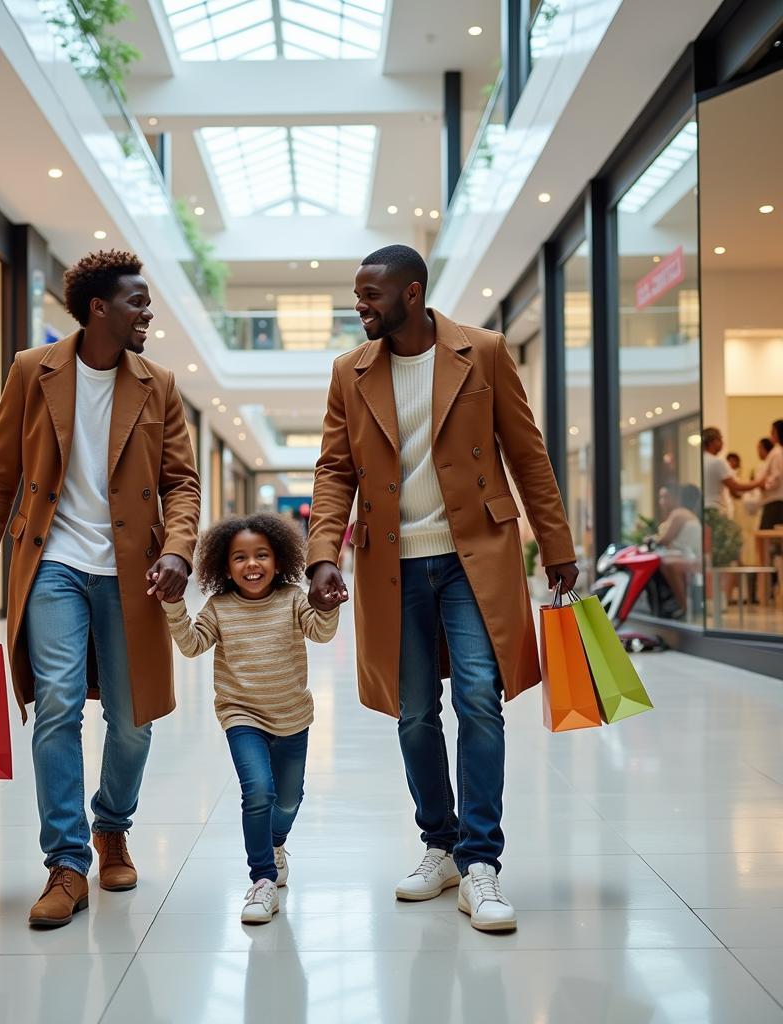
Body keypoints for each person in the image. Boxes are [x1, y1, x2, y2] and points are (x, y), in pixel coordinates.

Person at [305, 245, 577, 934]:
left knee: (480, 696)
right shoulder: (350, 371)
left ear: (412, 293)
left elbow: (528, 453)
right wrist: (321, 554)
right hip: (392, 563)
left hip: (474, 553)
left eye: (371, 294)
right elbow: (335, 470)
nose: (359, 305)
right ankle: (441, 844)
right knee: (415, 713)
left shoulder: (480, 351)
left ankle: (482, 860)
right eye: (358, 293)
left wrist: (558, 547)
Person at [0, 249, 200, 929]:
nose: (147, 313)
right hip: (53, 560)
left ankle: (111, 825)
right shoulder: (34, 372)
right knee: (58, 702)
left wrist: (178, 548)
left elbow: (182, 482)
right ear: (100, 309)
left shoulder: (159, 383)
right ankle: (66, 864)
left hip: (133, 570)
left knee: (133, 717)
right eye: (137, 302)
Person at [160, 514, 338, 924]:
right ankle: (262, 879)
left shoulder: (293, 598)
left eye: (261, 555)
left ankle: (276, 843)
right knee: (258, 791)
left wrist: (326, 605)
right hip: (241, 715)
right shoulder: (219, 607)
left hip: (293, 715)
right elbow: (191, 645)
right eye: (239, 557)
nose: (251, 564)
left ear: (279, 560)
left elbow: (321, 633)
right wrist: (174, 605)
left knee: (289, 799)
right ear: (224, 566)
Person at [651, 483, 702, 613]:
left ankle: (683, 606)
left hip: (692, 559)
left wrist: (650, 539)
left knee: (665, 563)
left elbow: (665, 539)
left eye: (665, 497)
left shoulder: (679, 513)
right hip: (690, 557)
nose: (662, 502)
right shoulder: (687, 514)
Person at [702, 427, 757, 515]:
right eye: (720, 439)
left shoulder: (702, 459)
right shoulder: (716, 462)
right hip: (714, 508)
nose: (722, 442)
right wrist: (759, 482)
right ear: (712, 442)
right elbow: (735, 486)